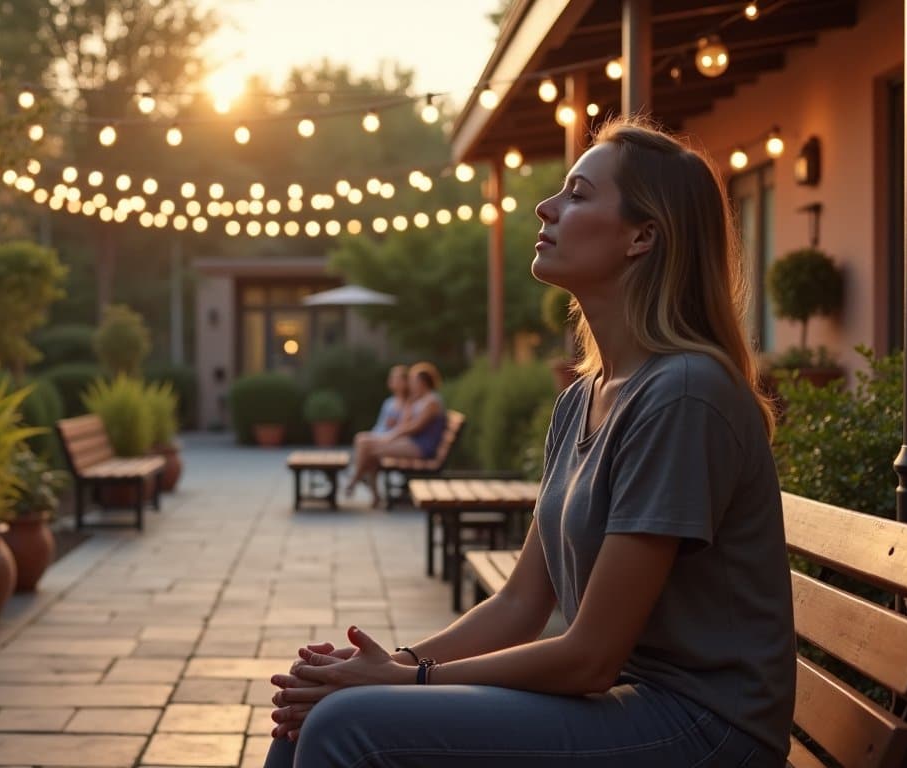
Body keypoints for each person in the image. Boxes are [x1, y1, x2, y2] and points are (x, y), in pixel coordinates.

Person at [263, 117, 795, 767]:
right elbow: (519, 604)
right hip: (632, 704)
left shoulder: (683, 395)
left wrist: (406, 682)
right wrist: (390, 664)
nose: (545, 206)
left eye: (577, 194)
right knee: (309, 715)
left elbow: (590, 657)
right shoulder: (582, 398)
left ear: (642, 236)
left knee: (345, 726)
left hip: (705, 728)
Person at [344, 361, 445, 507]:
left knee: (368, 449)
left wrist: (391, 436)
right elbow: (405, 423)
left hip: (421, 446)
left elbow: (415, 427)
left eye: (413, 381)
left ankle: (356, 480)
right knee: (367, 448)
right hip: (412, 442)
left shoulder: (432, 401)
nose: (411, 385)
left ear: (423, 382)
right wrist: (410, 403)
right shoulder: (420, 400)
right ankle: (364, 484)